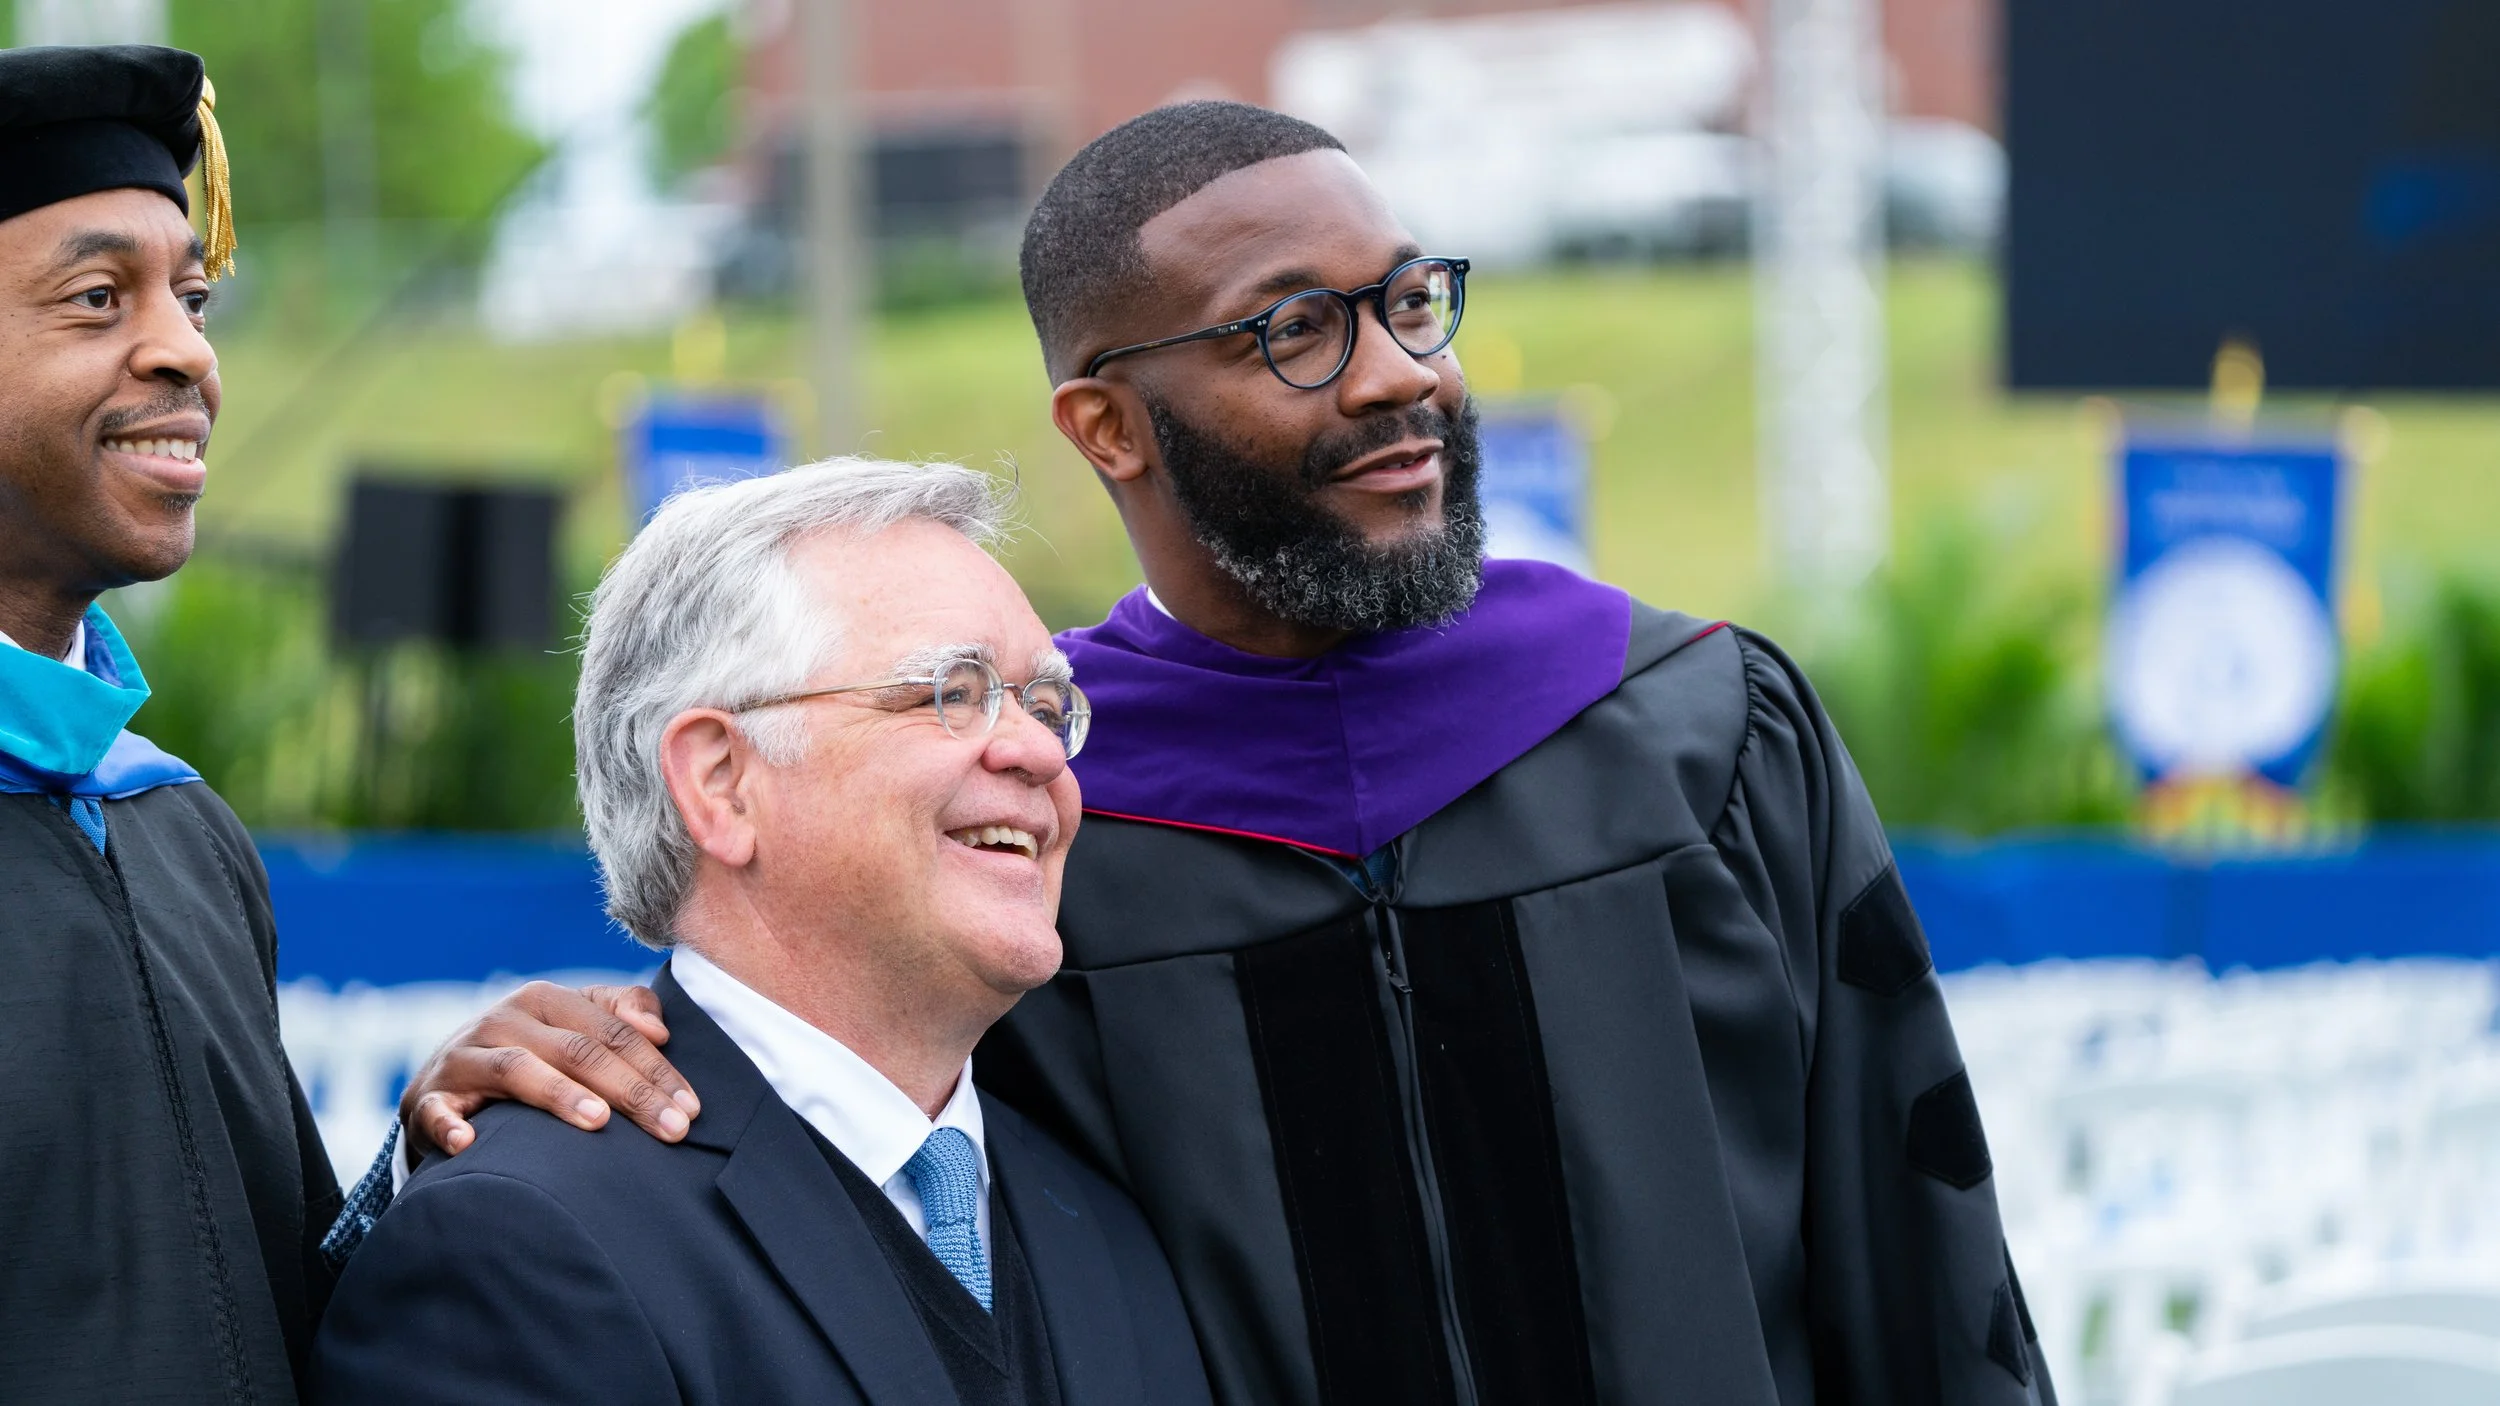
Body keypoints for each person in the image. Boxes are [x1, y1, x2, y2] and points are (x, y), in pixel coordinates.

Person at [965, 101, 2059, 1405]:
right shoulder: (1023, 813)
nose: (1398, 375)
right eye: (1297, 329)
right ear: (1107, 427)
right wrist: (652, 1046)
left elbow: (1917, 1257)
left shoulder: (1696, 729)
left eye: (1411, 301)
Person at [0, 44, 710, 1402]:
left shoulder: (172, 831)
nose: (187, 351)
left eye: (192, 298)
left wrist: (433, 1153)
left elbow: (264, 1313)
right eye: (99, 299)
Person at [311, 461, 1211, 1406]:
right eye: (952, 691)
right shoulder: (516, 1245)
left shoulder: (1110, 1223)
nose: (1036, 751)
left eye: (1044, 704)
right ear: (721, 783)